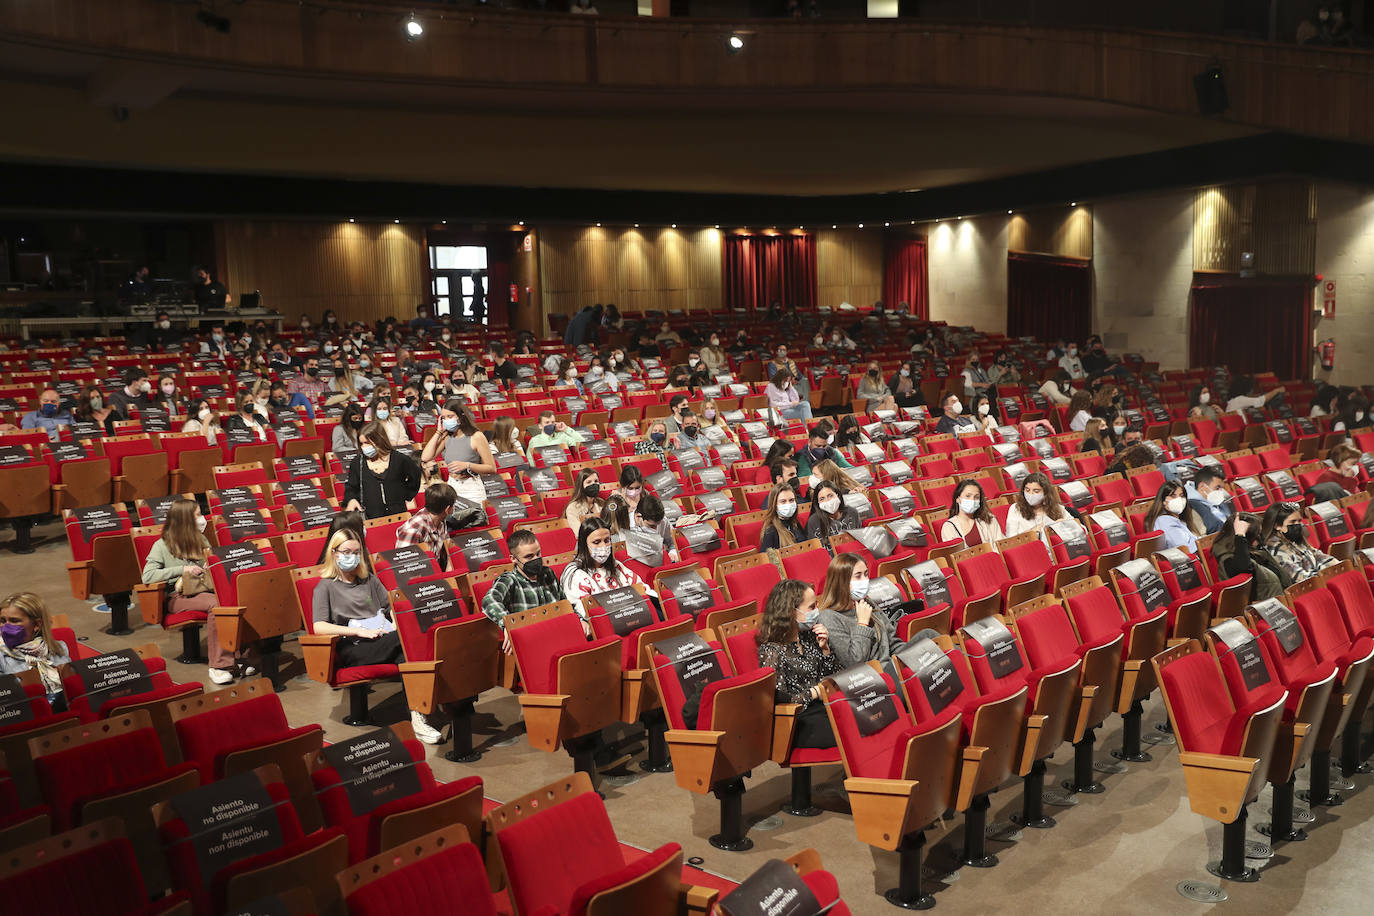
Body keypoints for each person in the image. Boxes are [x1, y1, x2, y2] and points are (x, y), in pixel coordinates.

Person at [312, 527, 443, 743]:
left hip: (381, 637)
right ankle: (426, 710)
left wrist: (395, 621)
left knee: (405, 653)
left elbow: (388, 606)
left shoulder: (368, 580)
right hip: (352, 646)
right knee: (408, 642)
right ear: (334, 553)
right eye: (346, 552)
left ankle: (417, 716)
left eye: (356, 552)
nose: (351, 557)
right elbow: (319, 626)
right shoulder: (325, 587)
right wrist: (357, 630)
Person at [141, 498, 245, 684]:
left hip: (202, 588)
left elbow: (211, 563)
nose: (202, 519)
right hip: (176, 595)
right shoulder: (162, 545)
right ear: (185, 519)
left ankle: (241, 657)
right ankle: (218, 666)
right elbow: (147, 576)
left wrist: (209, 565)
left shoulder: (201, 539)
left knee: (236, 597)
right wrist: (182, 570)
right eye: (197, 515)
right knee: (216, 604)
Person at [755, 579, 838, 748]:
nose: (817, 611)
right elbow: (780, 701)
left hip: (821, 708)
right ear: (792, 612)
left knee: (857, 714)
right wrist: (813, 693)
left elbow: (829, 678)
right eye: (811, 607)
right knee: (844, 729)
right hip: (797, 721)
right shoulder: (771, 651)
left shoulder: (808, 636)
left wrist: (826, 650)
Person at [481, 529, 567, 653]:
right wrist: (509, 625)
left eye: (538, 554)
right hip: (531, 643)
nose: (536, 559)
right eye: (529, 556)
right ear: (513, 558)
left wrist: (580, 619)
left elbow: (564, 603)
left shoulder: (548, 573)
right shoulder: (509, 580)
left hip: (557, 635)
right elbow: (489, 601)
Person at [559, 518, 657, 624]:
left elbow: (641, 588)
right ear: (584, 545)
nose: (603, 546)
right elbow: (583, 612)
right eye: (596, 542)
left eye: (607, 540)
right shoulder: (575, 574)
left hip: (635, 618)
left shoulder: (616, 566)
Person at [816, 554, 898, 668]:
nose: (865, 580)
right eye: (858, 576)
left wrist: (908, 659)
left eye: (866, 574)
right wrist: (863, 624)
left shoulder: (865, 602)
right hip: (873, 676)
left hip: (892, 665)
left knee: (928, 635)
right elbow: (854, 662)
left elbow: (893, 642)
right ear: (841, 582)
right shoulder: (828, 617)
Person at [0, 592, 71, 705]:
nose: (5, 627)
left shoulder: (60, 648)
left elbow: (71, 687)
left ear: (37, 624)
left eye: (14, 621)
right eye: (3, 621)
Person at [421, 401, 495, 504]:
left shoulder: (477, 436)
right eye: (443, 418)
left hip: (471, 487)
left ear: (460, 416)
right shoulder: (447, 436)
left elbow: (491, 468)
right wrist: (439, 432)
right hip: (452, 485)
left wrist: (467, 465)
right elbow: (425, 457)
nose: (446, 420)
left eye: (450, 416)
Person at [343, 421, 422, 518]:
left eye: (367, 443)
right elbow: (351, 487)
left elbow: (415, 476)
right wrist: (351, 499)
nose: (364, 447)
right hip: (371, 518)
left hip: (398, 515)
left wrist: (404, 494)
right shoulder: (357, 463)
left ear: (379, 440)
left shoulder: (400, 459)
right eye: (361, 443)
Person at [1211, 512, 1285, 602]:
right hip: (1263, 608)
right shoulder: (1228, 559)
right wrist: (1240, 534)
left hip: (1278, 600)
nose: (1260, 539)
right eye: (1256, 535)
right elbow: (1244, 567)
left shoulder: (1257, 551)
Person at [1260, 502, 1339, 585]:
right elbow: (1301, 579)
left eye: (1299, 521)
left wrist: (1336, 567)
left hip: (1319, 581)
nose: (1297, 525)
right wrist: (1327, 572)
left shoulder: (1294, 539)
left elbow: (1318, 555)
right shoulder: (1275, 548)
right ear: (1277, 526)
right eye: (1292, 522)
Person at [395, 483, 456, 571]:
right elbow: (405, 567)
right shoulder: (413, 529)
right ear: (447, 509)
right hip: (418, 577)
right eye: (454, 504)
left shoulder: (441, 520)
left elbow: (447, 551)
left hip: (435, 572)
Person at [1004, 471, 1075, 538]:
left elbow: (1080, 528)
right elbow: (1011, 540)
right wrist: (1031, 532)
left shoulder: (1057, 507)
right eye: (1027, 490)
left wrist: (1065, 524)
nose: (1030, 494)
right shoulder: (1015, 509)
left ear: (1045, 494)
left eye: (1036, 491)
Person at [1145, 481, 1204, 553]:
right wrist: (1202, 542)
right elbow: (1183, 549)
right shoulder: (1164, 521)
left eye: (1182, 496)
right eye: (1173, 496)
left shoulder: (1179, 519)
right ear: (1163, 501)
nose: (1179, 499)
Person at [805, 481, 860, 553]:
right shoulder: (813, 521)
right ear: (817, 503)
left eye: (830, 496)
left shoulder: (852, 512)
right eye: (822, 499)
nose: (827, 501)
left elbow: (859, 539)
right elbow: (817, 552)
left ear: (838, 496)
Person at [631, 492, 681, 564]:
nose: (655, 529)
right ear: (638, 517)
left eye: (658, 524)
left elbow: (673, 542)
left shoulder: (663, 520)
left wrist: (673, 552)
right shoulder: (627, 526)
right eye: (651, 526)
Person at [759, 483, 806, 552]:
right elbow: (768, 559)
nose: (788, 504)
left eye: (791, 500)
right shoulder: (771, 531)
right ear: (774, 505)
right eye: (783, 501)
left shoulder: (795, 523)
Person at [1185, 466, 1232, 534]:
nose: (1221, 491)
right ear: (1202, 487)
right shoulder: (1191, 506)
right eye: (1217, 487)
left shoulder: (1217, 499)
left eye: (1222, 488)